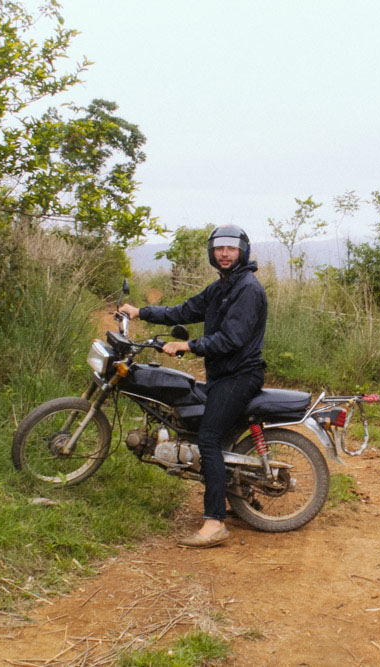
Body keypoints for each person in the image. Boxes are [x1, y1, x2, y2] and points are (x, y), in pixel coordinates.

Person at [119, 225, 267, 548]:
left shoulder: (247, 289)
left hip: (240, 376)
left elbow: (231, 339)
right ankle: (237, 491)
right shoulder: (222, 286)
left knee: (209, 438)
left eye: (231, 248)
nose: (224, 253)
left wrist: (187, 346)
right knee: (205, 428)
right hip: (223, 375)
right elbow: (184, 311)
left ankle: (215, 523)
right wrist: (140, 312)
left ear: (243, 251)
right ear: (212, 252)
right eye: (219, 248)